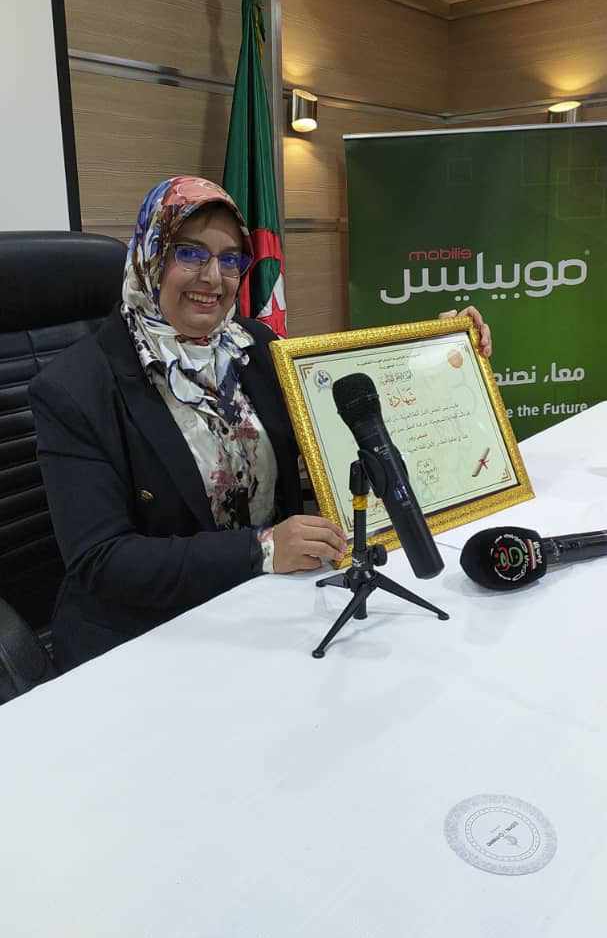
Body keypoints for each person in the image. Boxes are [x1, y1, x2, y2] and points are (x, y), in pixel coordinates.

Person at [30, 176, 491, 672]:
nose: (214, 277)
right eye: (190, 253)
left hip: (270, 609)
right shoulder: (74, 389)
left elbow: (352, 423)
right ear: (152, 256)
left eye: (231, 259)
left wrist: (445, 358)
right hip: (147, 640)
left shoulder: (254, 347)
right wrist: (260, 550)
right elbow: (101, 561)